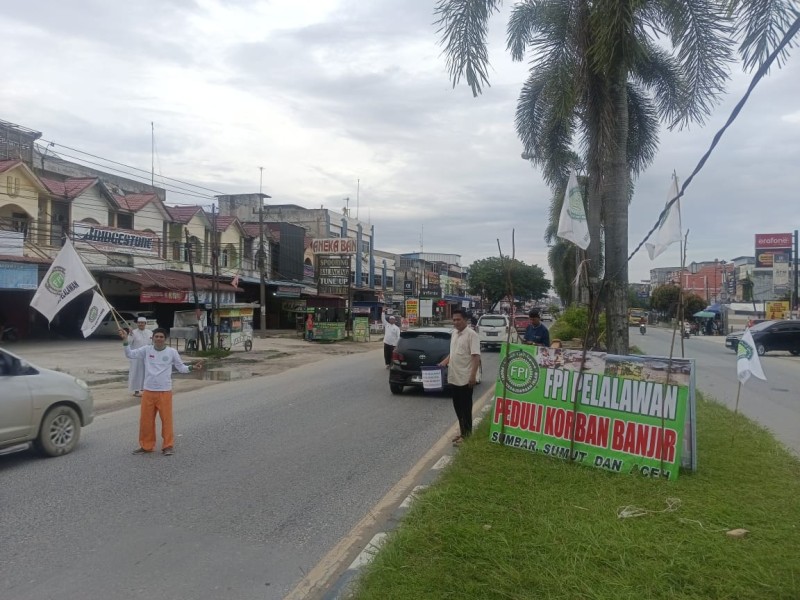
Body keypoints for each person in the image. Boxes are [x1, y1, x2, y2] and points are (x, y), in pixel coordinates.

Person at [120, 327, 203, 456]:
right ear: (152, 338)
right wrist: (125, 339)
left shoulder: (171, 352)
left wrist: (192, 367)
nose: (159, 339)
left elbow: (181, 367)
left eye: (161, 337)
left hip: (164, 391)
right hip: (148, 391)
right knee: (146, 421)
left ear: (165, 339)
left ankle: (168, 446)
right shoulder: (147, 350)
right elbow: (129, 354)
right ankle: (146, 446)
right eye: (156, 336)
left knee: (166, 420)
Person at [439, 308, 481, 446]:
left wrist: (473, 376)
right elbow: (453, 353)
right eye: (454, 319)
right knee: (457, 407)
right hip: (454, 376)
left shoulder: (472, 335)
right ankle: (463, 432)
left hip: (465, 378)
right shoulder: (454, 334)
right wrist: (444, 362)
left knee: (465, 407)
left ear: (465, 320)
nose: (456, 322)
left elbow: (476, 357)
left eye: (458, 319)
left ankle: (467, 435)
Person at [128, 316, 153, 397]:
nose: (140, 324)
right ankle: (136, 391)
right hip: (136, 356)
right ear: (137, 323)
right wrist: (130, 334)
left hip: (147, 356)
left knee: (146, 373)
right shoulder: (133, 332)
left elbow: (152, 344)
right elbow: (128, 343)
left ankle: (145, 390)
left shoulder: (150, 332)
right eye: (139, 323)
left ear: (145, 323)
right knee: (136, 373)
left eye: (142, 323)